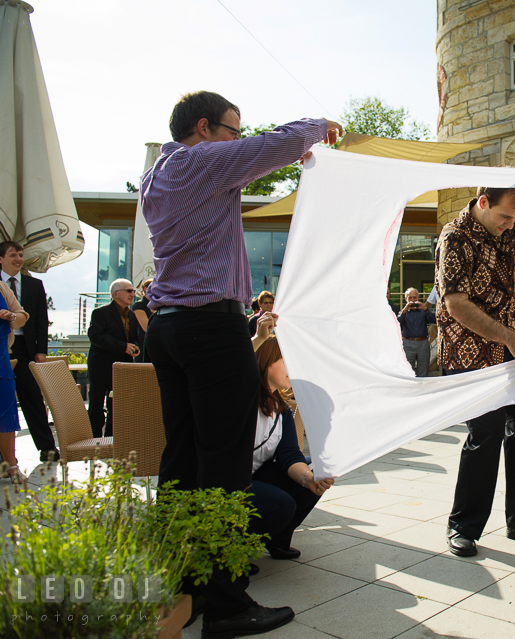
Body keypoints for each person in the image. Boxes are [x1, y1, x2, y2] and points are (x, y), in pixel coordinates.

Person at [141, 90, 341, 636]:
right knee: (224, 466)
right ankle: (227, 604)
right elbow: (269, 146)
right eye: (232, 129)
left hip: (170, 326)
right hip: (209, 327)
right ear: (204, 128)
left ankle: (188, 584)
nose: (237, 137)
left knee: (181, 462)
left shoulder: (160, 172)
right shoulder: (199, 160)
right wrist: (317, 126)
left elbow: (252, 154)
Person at [437, 186, 515, 557]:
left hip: (511, 350)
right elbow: (456, 304)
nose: (511, 226)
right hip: (470, 351)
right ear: (483, 203)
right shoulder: (454, 237)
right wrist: (514, 340)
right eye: (505, 217)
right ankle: (463, 526)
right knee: (486, 433)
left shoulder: (510, 223)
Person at [248, 337, 333, 561]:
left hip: (256, 475)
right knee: (281, 503)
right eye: (288, 361)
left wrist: (308, 479)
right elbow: (231, 368)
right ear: (267, 360)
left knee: (316, 472)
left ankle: (277, 539)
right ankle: (232, 551)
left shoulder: (281, 409)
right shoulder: (242, 397)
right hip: (227, 481)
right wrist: (258, 338)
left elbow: (288, 454)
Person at [0, 241, 57, 462]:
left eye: (21, 255)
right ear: (0, 259)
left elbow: (42, 319)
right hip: (1, 345)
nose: (18, 259)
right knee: (2, 400)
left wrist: (41, 350)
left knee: (32, 398)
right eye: (13, 255)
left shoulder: (34, 285)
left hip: (25, 348)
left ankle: (47, 447)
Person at [87, 279, 139, 438]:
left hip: (122, 366)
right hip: (101, 366)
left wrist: (134, 348)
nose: (133, 294)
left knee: (116, 405)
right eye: (128, 291)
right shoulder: (100, 313)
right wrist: (122, 346)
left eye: (133, 291)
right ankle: (95, 440)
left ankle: (111, 439)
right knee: (97, 404)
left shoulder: (132, 315)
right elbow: (95, 336)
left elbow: (134, 338)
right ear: (115, 294)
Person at [0, 280, 28, 484]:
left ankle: (11, 465)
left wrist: (11, 317)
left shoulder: (1, 286)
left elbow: (22, 316)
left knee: (6, 411)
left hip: (1, 358)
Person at [397, 287, 436, 377]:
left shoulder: (423, 311)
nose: (413, 300)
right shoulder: (403, 312)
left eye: (415, 297)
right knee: (407, 371)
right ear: (406, 298)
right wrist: (404, 310)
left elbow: (433, 320)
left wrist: (426, 309)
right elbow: (397, 324)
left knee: (423, 370)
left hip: (423, 343)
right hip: (408, 343)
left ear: (418, 298)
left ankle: (422, 389)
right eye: (410, 298)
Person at [131, 278, 154, 363]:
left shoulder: (160, 304)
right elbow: (146, 327)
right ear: (144, 289)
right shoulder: (139, 305)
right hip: (144, 344)